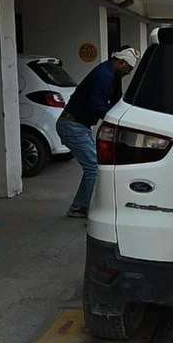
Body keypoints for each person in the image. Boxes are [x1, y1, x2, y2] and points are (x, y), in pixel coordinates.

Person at [57, 47, 140, 218]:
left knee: (91, 167)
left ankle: (79, 207)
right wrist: (118, 122)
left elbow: (117, 99)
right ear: (121, 63)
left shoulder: (113, 75)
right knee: (94, 167)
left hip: (79, 125)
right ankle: (93, 212)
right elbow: (96, 106)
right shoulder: (103, 76)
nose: (129, 73)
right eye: (128, 70)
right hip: (72, 125)